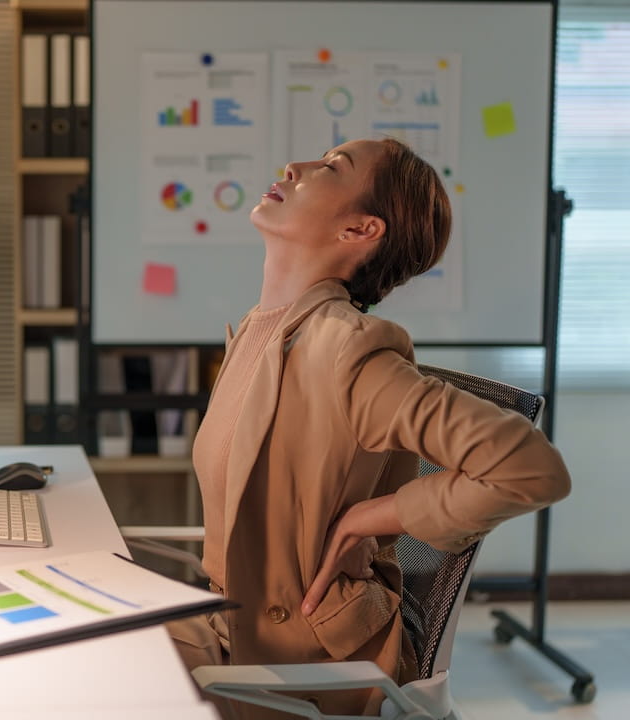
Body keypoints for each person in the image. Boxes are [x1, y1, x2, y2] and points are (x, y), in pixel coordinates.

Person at [166, 137, 571, 719]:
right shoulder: (261, 329)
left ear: (360, 230)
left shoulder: (347, 350)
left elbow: (531, 468)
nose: (294, 167)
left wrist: (372, 518)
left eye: (331, 167)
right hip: (227, 627)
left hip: (303, 660)